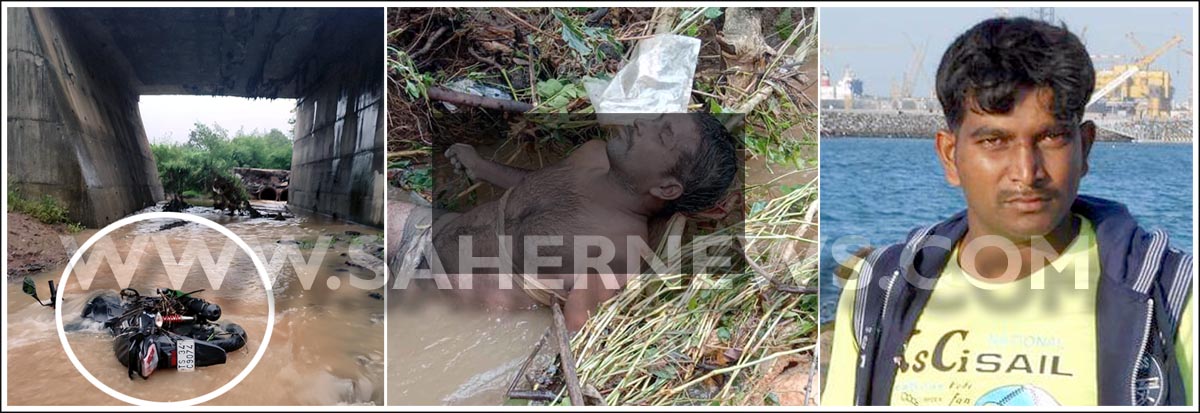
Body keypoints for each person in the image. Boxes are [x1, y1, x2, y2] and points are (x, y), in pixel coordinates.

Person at [823, 17, 1193, 406]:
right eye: (994, 141)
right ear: (950, 155)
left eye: (1050, 137)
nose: (1026, 172)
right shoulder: (881, 292)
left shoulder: (1171, 296)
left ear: (1084, 147)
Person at [388, 113, 738, 331]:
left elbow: (577, 331)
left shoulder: (620, 251)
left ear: (666, 188)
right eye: (657, 118)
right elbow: (537, 186)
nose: (640, 123)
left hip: (430, 293)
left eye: (661, 135)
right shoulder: (593, 154)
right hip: (429, 229)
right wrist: (482, 167)